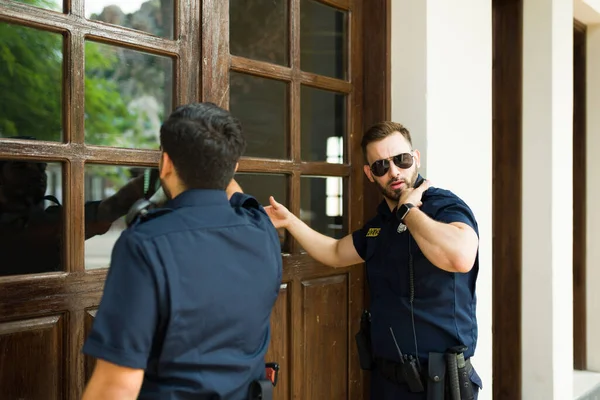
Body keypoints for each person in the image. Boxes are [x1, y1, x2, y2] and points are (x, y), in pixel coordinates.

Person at [265, 121, 482, 399]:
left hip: (440, 386)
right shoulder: (380, 224)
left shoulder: (443, 207)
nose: (394, 172)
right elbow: (334, 252)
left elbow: (461, 257)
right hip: (388, 382)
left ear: (415, 158)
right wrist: (289, 221)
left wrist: (408, 210)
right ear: (370, 174)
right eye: (381, 166)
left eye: (401, 160)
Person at [81, 102, 282, 399]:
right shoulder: (261, 228)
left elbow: (117, 386)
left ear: (166, 164)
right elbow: (234, 191)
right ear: (234, 168)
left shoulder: (145, 244)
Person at [0, 137, 151, 276]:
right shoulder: (38, 225)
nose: (37, 174)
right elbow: (110, 209)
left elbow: (108, 210)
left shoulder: (51, 218)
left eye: (42, 167)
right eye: (21, 167)